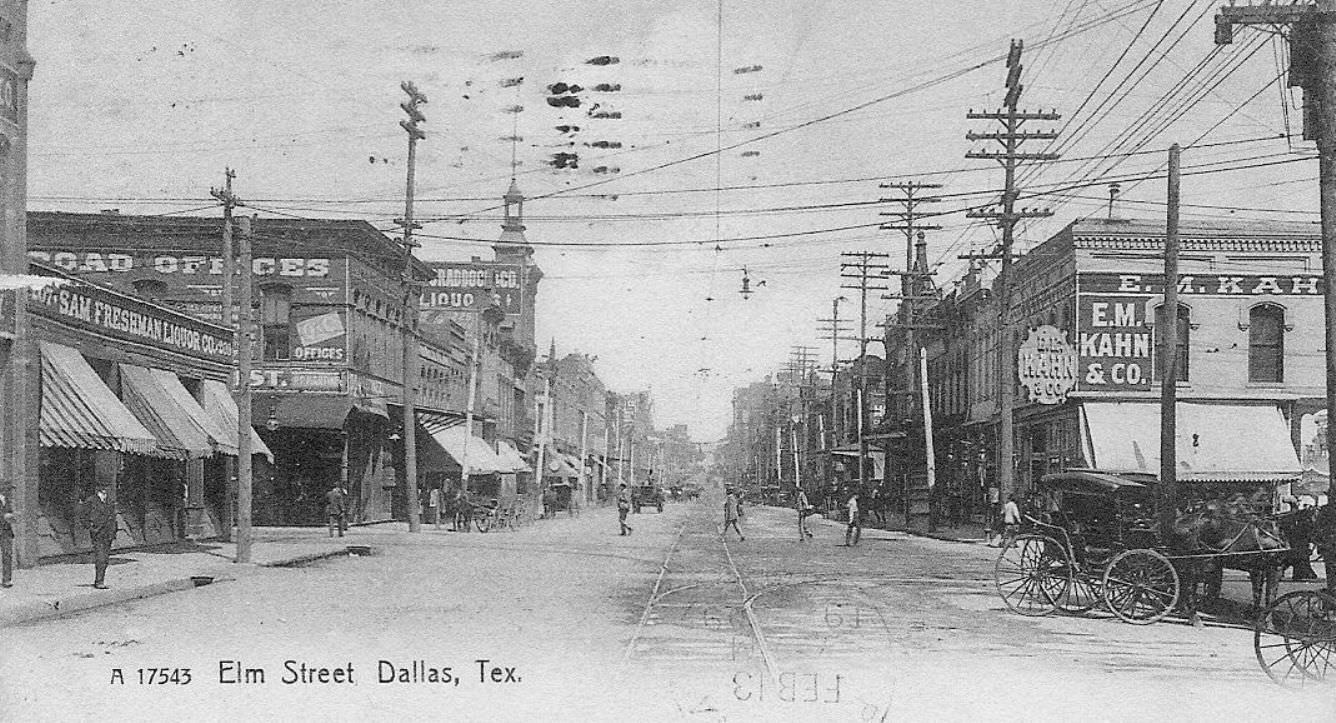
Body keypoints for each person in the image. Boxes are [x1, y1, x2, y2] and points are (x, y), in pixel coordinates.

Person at [83, 483, 116, 590]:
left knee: (105, 558)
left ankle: (101, 579)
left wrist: (114, 530)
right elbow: (83, 515)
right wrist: (91, 527)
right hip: (98, 533)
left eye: (107, 490)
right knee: (100, 557)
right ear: (99, 490)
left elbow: (112, 517)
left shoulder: (109, 502)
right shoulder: (91, 501)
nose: (106, 493)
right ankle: (99, 581)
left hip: (108, 533)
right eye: (104, 490)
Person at [1, 488, 15, 588]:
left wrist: (12, 517)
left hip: (6, 531)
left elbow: (10, 512)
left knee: (7, 554)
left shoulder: (6, 500)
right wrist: (3, 516)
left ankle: (7, 580)